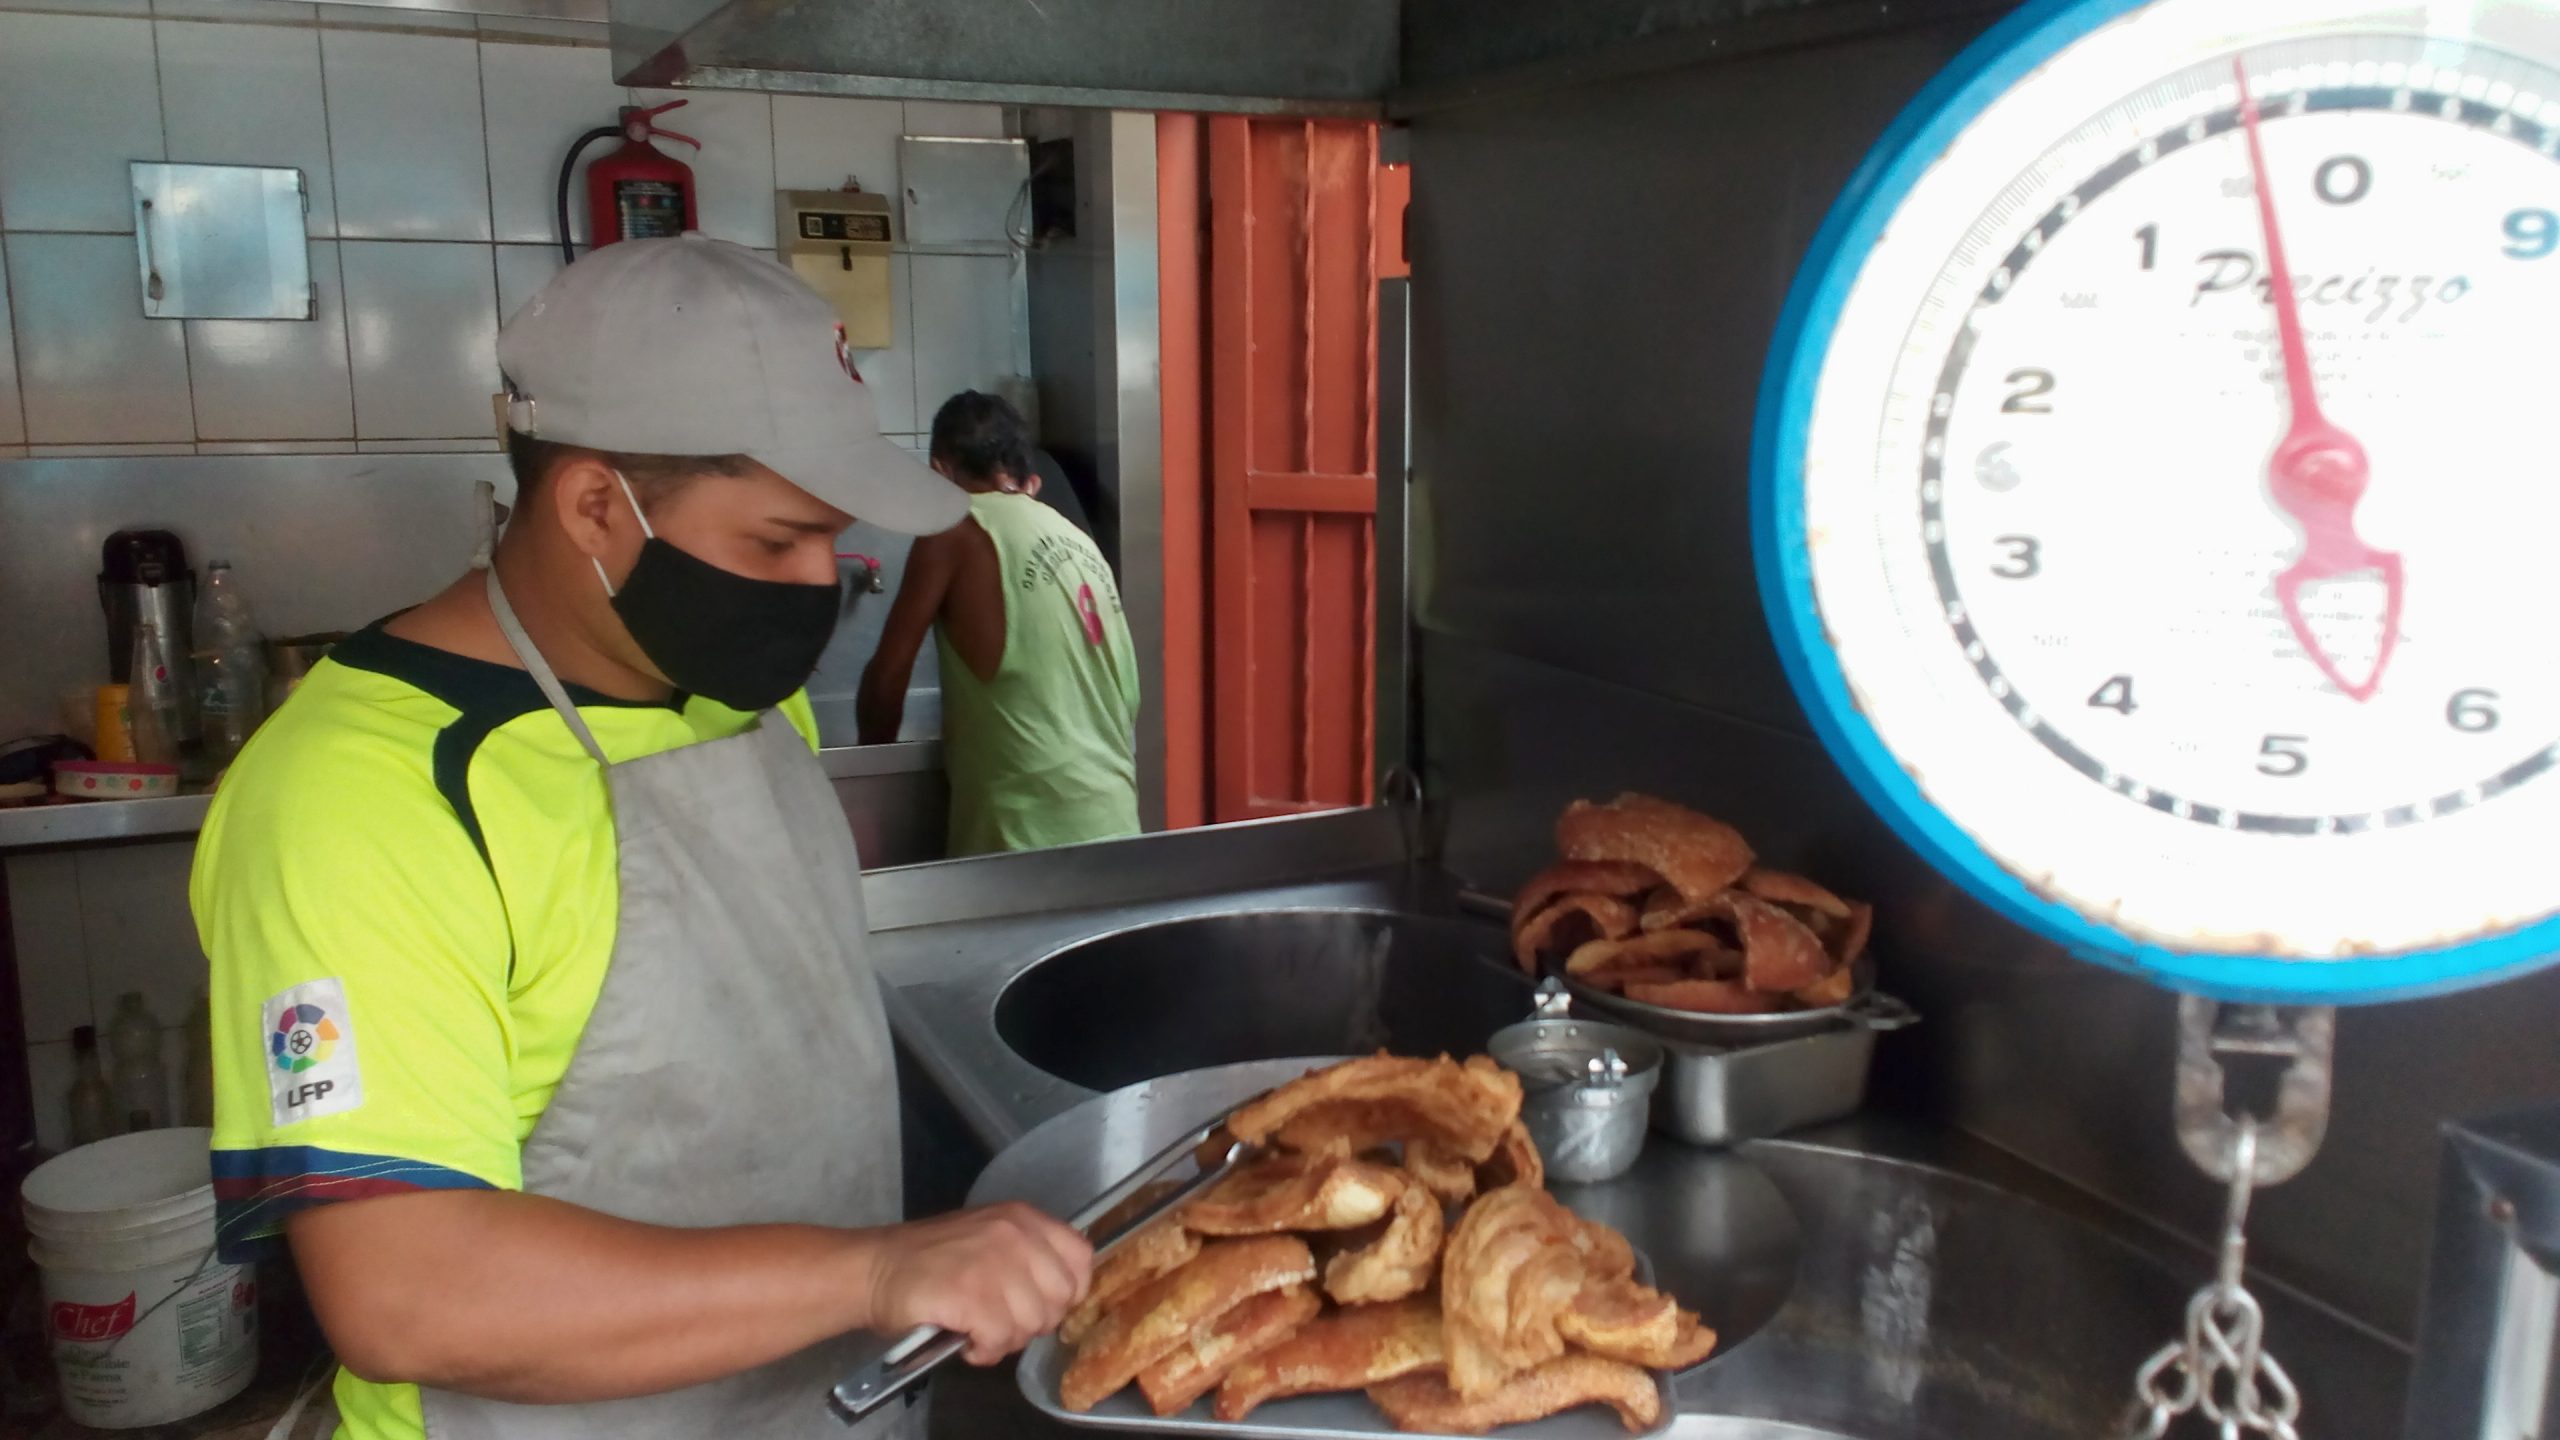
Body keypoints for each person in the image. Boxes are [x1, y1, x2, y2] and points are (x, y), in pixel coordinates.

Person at [190, 236, 1091, 1440]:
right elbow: (408, 1290)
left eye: (830, 537)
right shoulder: (361, 799)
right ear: (596, 506)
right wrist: (874, 1275)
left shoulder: (727, 694)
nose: (817, 583)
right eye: (773, 543)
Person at [857, 392, 1142, 854]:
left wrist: (870, 773)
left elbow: (889, 673)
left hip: (1024, 833)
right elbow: (1126, 695)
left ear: (939, 469)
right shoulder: (1078, 539)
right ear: (1023, 475)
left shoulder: (954, 529)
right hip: (1115, 815)